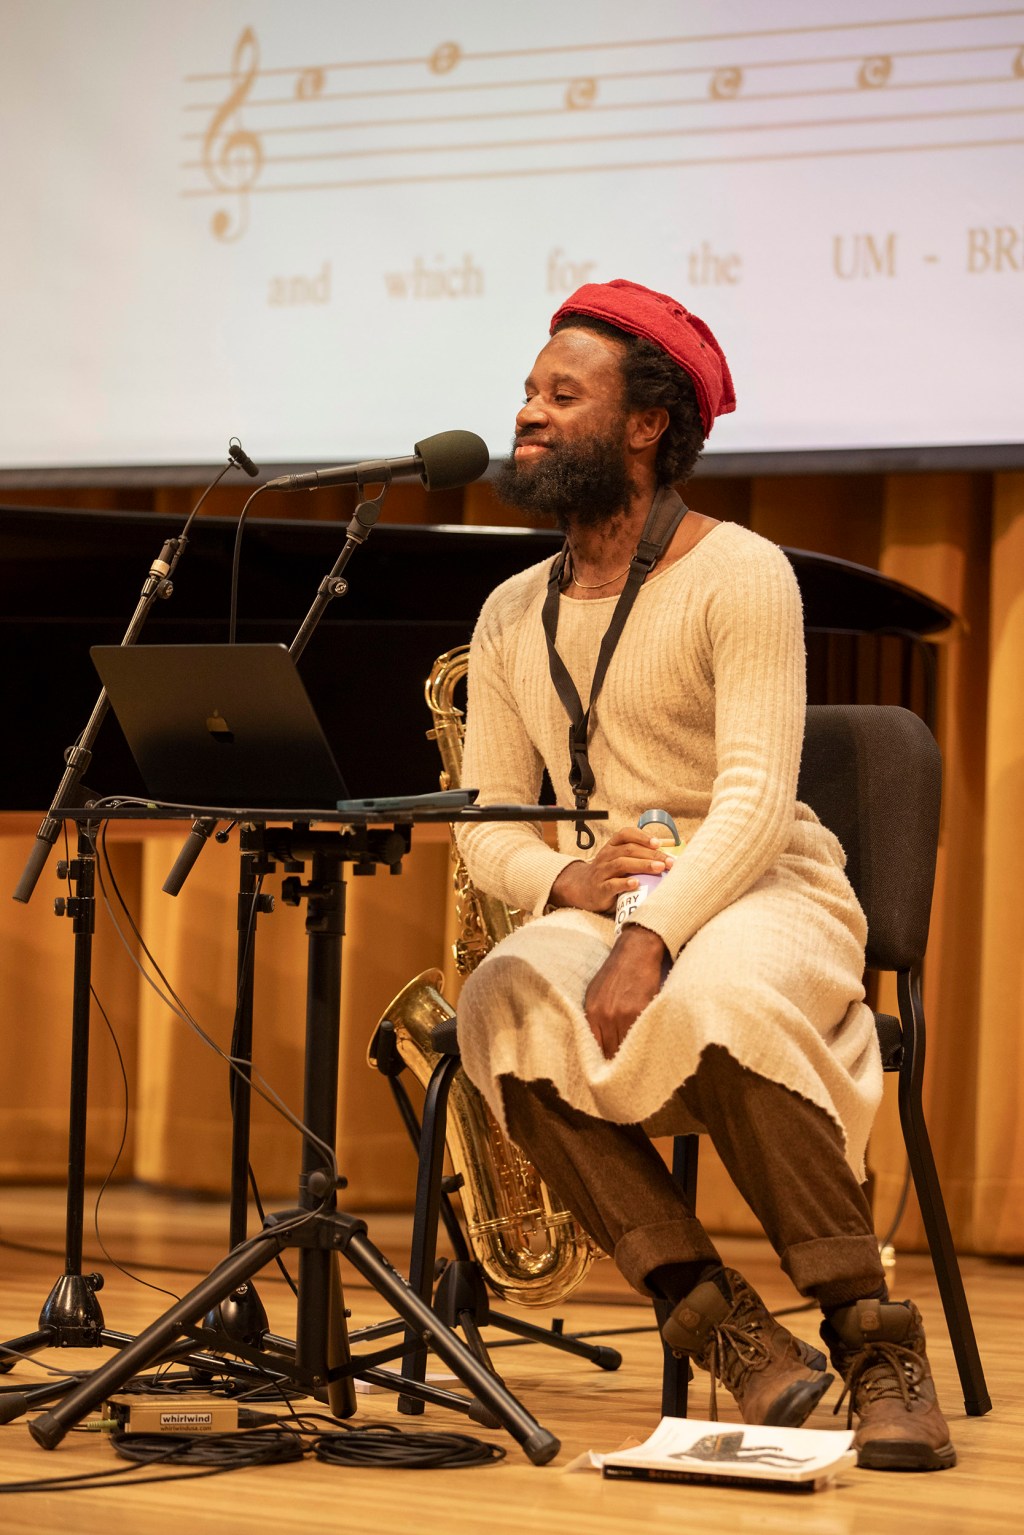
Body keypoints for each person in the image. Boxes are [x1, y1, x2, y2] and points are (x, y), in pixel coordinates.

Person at [453, 278, 955, 1472]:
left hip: (766, 883)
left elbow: (752, 798)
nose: (528, 413)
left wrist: (652, 932)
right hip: (609, 895)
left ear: (643, 426)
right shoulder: (509, 610)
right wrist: (572, 886)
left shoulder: (741, 572)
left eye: (560, 394)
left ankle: (872, 1337)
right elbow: (483, 822)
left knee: (717, 999)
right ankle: (729, 1330)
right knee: (501, 1002)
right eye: (529, 390)